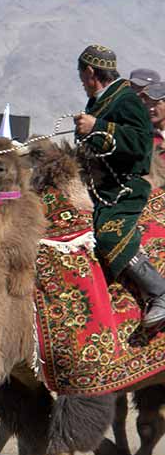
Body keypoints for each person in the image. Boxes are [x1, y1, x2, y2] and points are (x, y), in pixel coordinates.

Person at [74, 44, 162, 330]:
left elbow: (140, 143)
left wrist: (97, 126)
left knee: (109, 234)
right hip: (102, 183)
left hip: (125, 186)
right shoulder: (100, 99)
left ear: (90, 72)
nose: (80, 81)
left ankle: (159, 291)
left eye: (80, 74)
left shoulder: (126, 99)